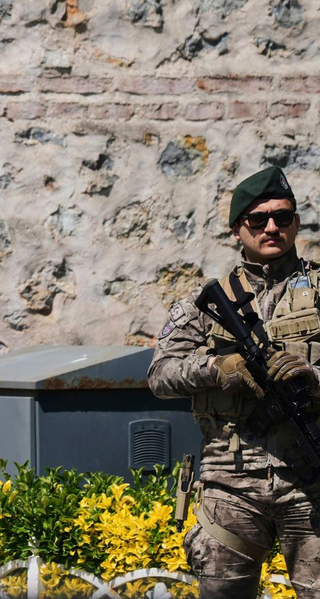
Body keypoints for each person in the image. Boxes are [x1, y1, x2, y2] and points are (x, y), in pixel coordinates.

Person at [149, 164, 320, 598]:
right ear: (236, 229)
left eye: (282, 217)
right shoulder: (203, 303)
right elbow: (160, 375)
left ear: (296, 222)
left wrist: (313, 376)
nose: (271, 227)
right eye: (257, 219)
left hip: (311, 479)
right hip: (230, 483)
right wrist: (215, 368)